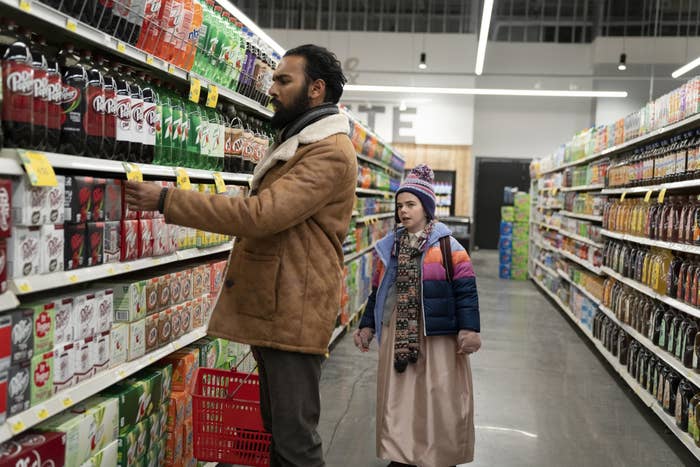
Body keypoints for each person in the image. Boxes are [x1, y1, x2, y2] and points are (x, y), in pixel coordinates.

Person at [125, 44, 357, 467]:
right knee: (278, 431)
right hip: (277, 307)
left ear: (316, 89)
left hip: (294, 309)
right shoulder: (299, 141)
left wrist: (166, 200)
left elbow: (262, 214)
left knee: (295, 440)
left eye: (284, 80)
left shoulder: (329, 151)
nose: (272, 88)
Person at [353, 164, 481, 467]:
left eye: (410, 204)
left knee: (436, 397)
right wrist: (368, 324)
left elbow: (466, 292)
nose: (403, 211)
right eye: (400, 205)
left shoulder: (449, 247)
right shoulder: (389, 247)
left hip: (437, 335)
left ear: (426, 207)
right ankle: (402, 453)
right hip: (399, 332)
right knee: (400, 397)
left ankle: (437, 454)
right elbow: (378, 290)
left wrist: (469, 329)